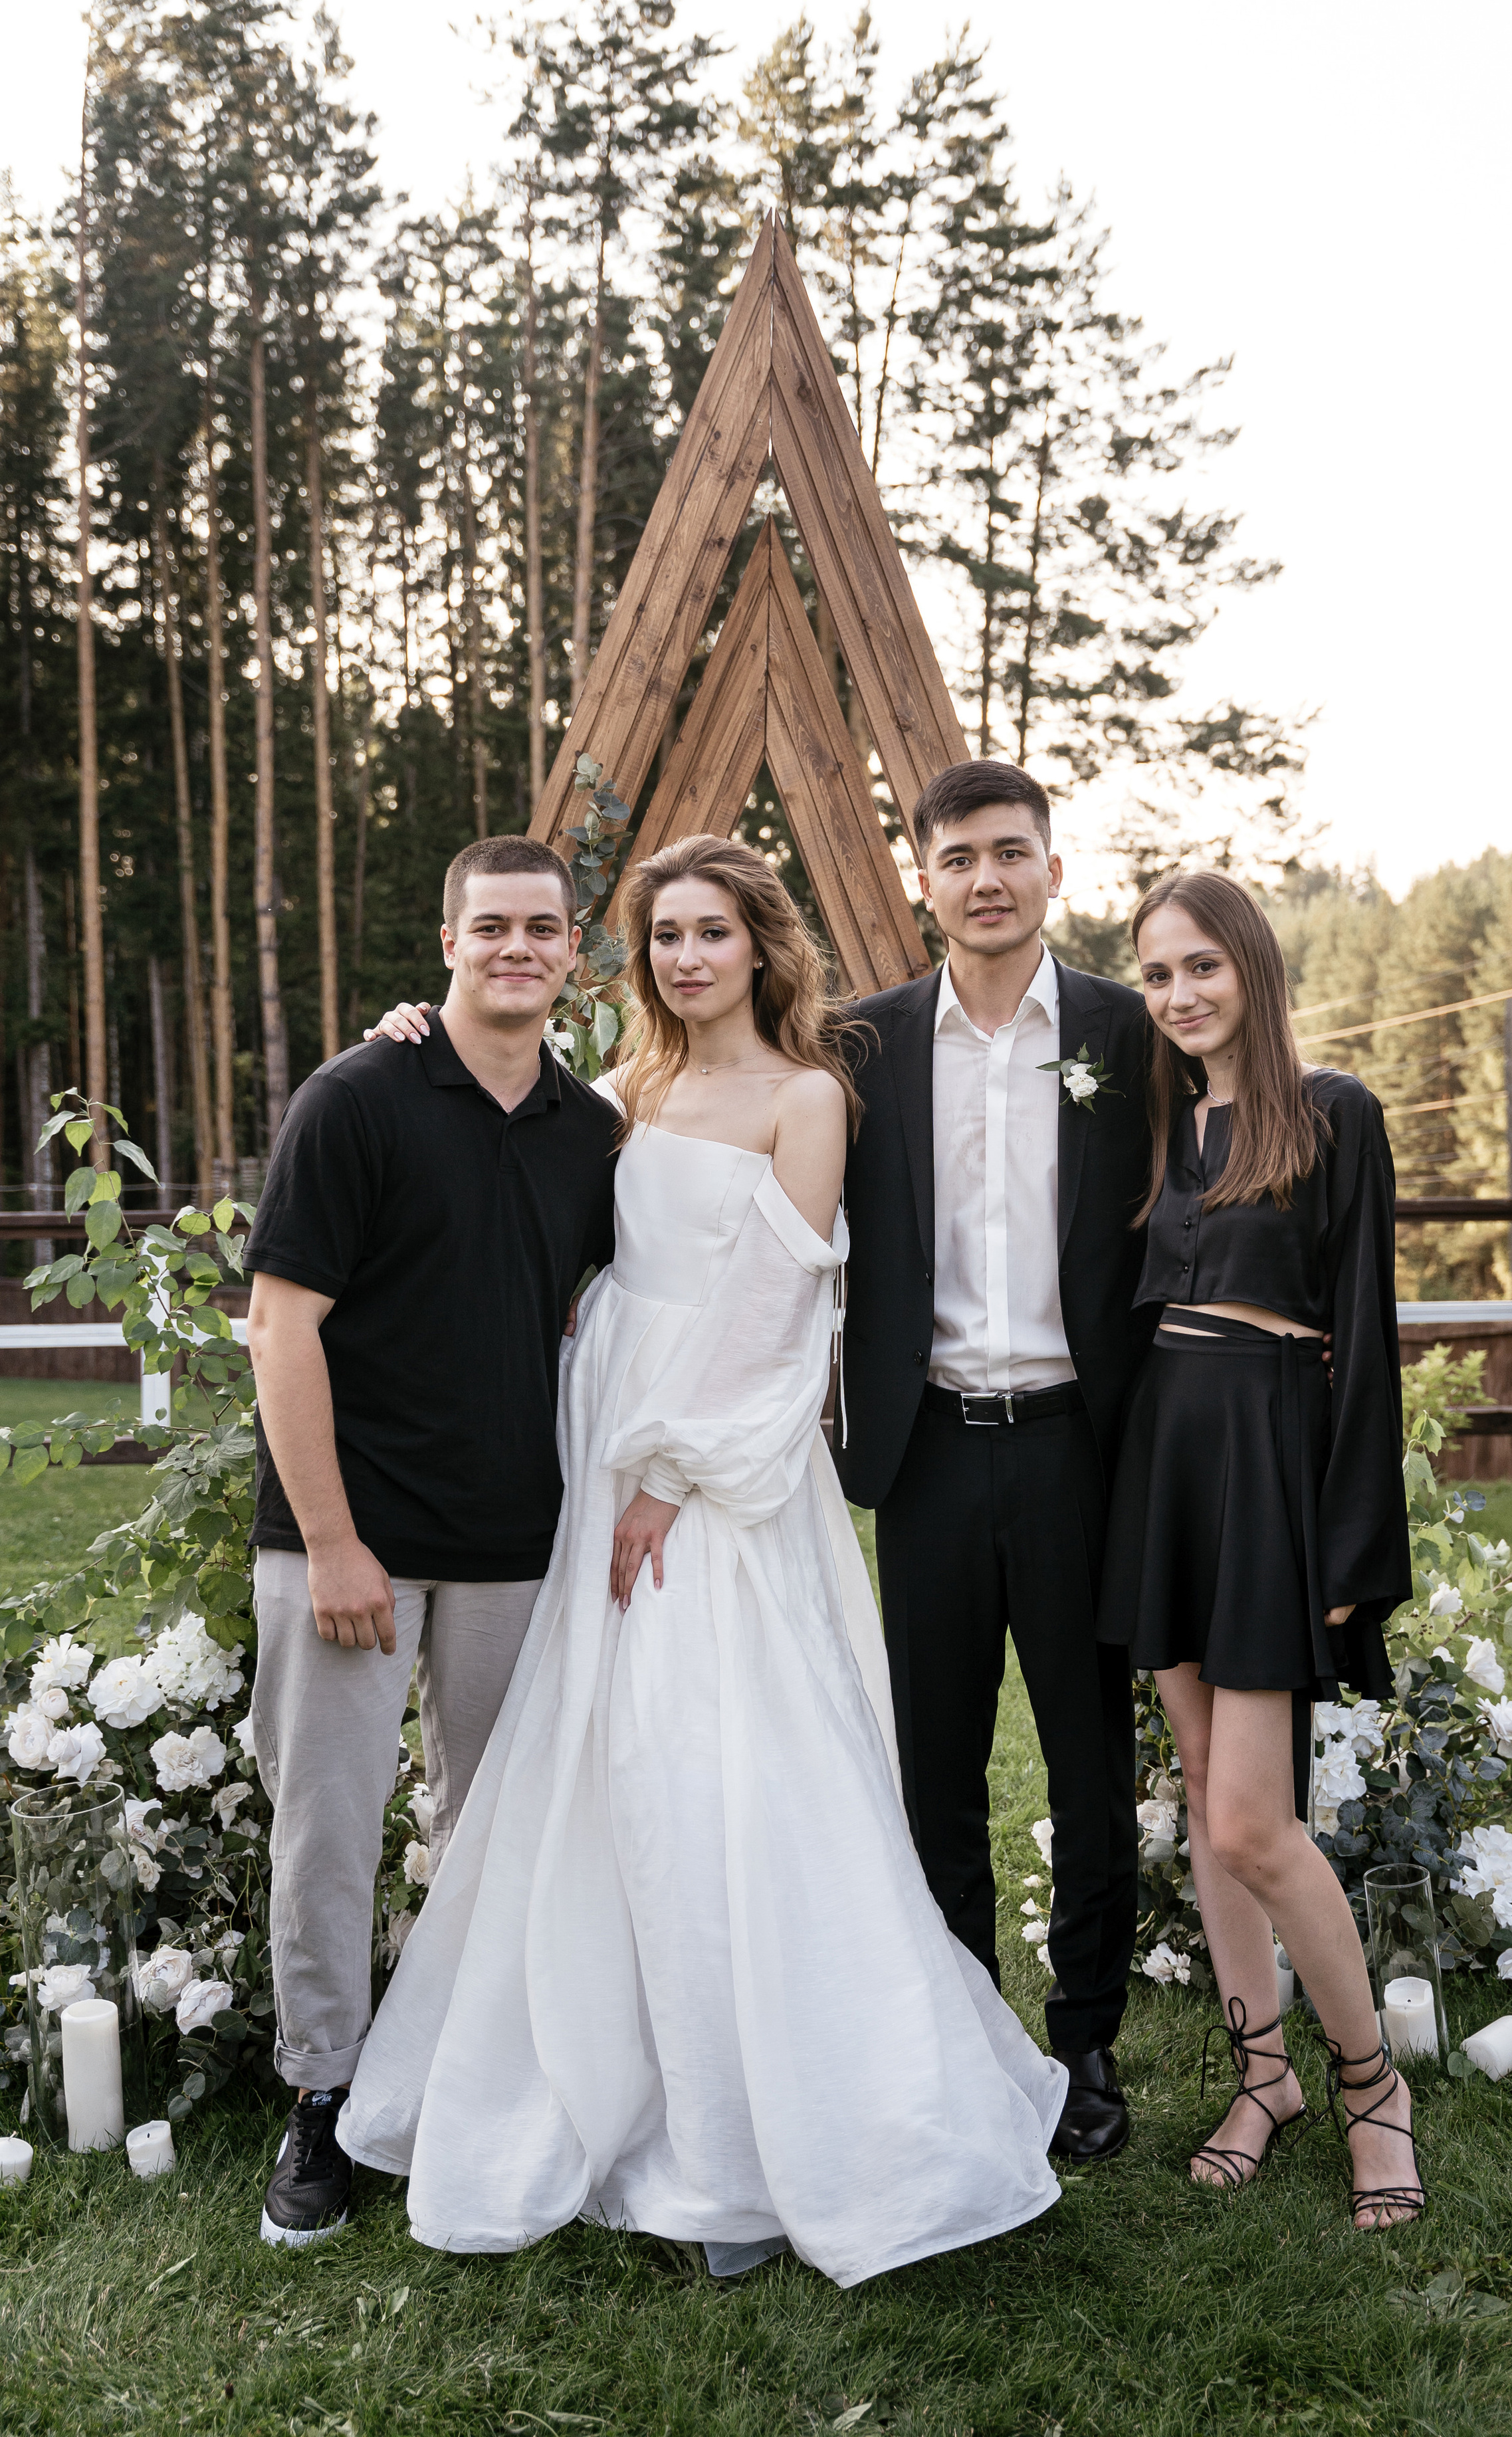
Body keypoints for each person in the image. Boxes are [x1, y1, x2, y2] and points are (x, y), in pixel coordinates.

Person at [340, 835, 1067, 2283]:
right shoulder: (620, 1093)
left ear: (759, 947)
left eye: (708, 934)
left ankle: (758, 2125)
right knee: (605, 1758)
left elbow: (776, 1311)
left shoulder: (807, 1099)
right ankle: (619, 2079)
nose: (682, 958)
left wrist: (671, 1477)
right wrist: (403, 1033)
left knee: (721, 1759)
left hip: (716, 1468)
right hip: (599, 1426)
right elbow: (498, 1124)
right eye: (661, 935)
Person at [243, 835, 619, 2249]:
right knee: (329, 1833)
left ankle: (451, 2083)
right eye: (491, 927)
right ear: (446, 940)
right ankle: (322, 2103)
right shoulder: (356, 1099)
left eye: (541, 929)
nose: (516, 948)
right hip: (348, 1538)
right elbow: (282, 1327)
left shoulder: (594, 1132)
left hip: (518, 1542)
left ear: (570, 952)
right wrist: (335, 1543)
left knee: (492, 1833)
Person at [835, 760, 1152, 2163]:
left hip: (1083, 1446)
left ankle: (1085, 2045)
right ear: (924, 880)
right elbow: (693, 1088)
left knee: (1090, 1765)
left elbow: (1250, 1096)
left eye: (1008, 853)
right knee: (934, 1766)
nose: (983, 878)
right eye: (956, 856)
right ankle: (964, 2033)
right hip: (928, 1455)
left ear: (1052, 872)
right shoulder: (863, 1044)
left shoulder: (1126, 1033)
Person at [1097, 869, 1422, 2226]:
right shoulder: (1152, 1124)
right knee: (1195, 1791)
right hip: (1160, 1461)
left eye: (1199, 968)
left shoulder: (1330, 1112)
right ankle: (1261, 2074)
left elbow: (1364, 1331)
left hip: (1266, 1466)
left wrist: (1352, 1537)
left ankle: (1371, 2094)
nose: (1177, 994)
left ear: (1251, 968)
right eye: (1156, 974)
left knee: (1250, 1820)